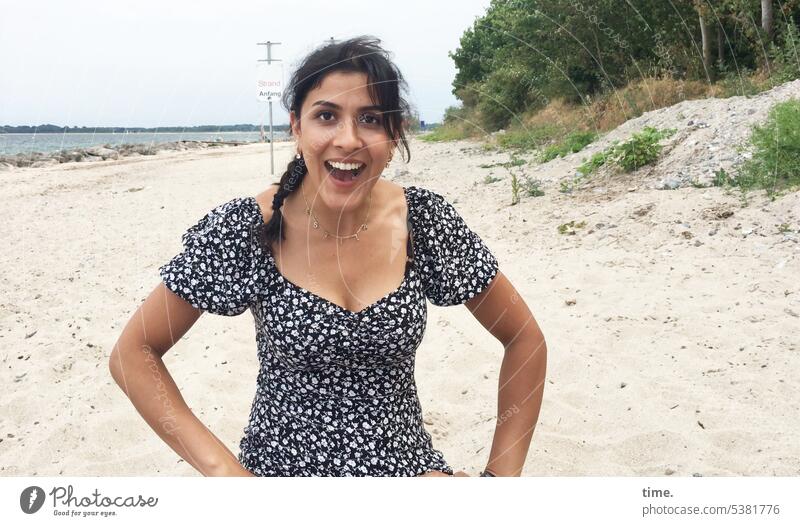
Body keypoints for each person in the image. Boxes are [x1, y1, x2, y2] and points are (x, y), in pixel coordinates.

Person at [109, 36, 547, 477]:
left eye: (371, 119)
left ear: (394, 135)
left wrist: (500, 483)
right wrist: (226, 474)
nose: (348, 139)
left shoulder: (424, 223)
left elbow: (525, 339)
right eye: (326, 116)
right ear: (297, 126)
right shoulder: (249, 229)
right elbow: (134, 353)